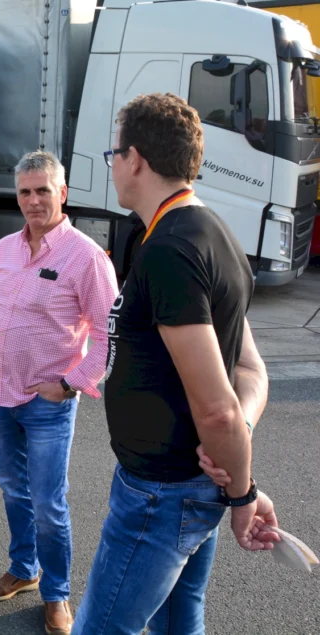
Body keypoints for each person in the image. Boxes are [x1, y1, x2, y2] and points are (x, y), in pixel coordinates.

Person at [73, 93, 278, 635]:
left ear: (135, 158)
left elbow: (219, 410)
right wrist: (235, 454)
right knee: (178, 621)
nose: (112, 163)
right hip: (182, 486)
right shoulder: (213, 234)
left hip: (160, 495)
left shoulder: (171, 249)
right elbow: (250, 375)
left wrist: (243, 489)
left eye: (113, 152)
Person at [0, 151, 118, 635]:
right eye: (25, 192)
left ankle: (57, 593)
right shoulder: (4, 250)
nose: (33, 201)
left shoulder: (86, 257)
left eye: (42, 191)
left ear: (63, 193)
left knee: (48, 503)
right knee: (13, 490)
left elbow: (110, 339)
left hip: (47, 405)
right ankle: (23, 568)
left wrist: (69, 384)